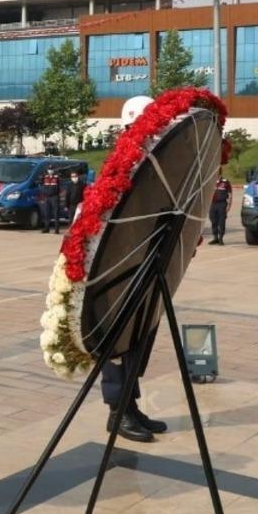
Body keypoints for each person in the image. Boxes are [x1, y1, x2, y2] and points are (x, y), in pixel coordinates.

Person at [100, 94, 165, 444]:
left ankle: (130, 404)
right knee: (119, 340)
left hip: (148, 261)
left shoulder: (153, 160)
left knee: (141, 336)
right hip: (122, 264)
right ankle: (117, 411)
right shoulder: (122, 161)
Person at [208, 172, 233, 245]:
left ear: (220, 174)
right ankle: (215, 237)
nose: (217, 176)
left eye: (218, 174)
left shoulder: (226, 182)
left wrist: (229, 205)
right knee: (213, 220)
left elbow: (230, 194)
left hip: (222, 204)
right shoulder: (211, 181)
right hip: (212, 204)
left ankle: (221, 238)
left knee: (221, 222)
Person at [39, 165, 61, 234]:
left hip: (54, 197)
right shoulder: (45, 177)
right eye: (49, 169)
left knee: (56, 214)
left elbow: (59, 187)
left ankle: (56, 229)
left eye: (51, 169)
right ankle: (46, 228)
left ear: (53, 170)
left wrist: (57, 194)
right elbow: (41, 185)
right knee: (47, 213)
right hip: (46, 197)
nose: (50, 171)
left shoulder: (57, 177)